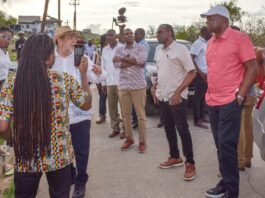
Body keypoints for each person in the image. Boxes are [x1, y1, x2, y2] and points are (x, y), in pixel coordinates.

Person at [0, 33, 92, 198]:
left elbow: (3, 126)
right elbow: (86, 104)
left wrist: (12, 139)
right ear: (49, 57)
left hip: (26, 156)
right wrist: (83, 74)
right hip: (59, 155)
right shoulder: (64, 80)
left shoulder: (12, 82)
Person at [200, 6, 257, 198]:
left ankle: (232, 191)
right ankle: (224, 183)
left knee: (227, 145)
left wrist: (240, 95)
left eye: (210, 18)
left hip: (230, 101)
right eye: (206, 19)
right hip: (213, 100)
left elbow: (252, 67)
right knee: (220, 145)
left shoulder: (240, 39)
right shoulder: (210, 42)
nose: (206, 22)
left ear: (222, 19)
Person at [52, 26, 106, 198]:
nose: (74, 40)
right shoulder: (50, 58)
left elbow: (98, 77)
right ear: (58, 40)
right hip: (57, 116)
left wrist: (98, 71)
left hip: (80, 115)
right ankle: (71, 175)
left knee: (81, 151)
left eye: (75, 37)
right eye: (69, 37)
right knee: (60, 151)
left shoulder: (81, 57)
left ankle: (81, 182)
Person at [151, 24, 196, 181]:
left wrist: (178, 92)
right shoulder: (158, 50)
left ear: (169, 33)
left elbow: (192, 73)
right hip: (163, 97)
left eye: (159, 32)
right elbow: (160, 72)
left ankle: (190, 163)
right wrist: (155, 89)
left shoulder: (181, 49)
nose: (157, 34)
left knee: (182, 130)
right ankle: (175, 157)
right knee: (168, 128)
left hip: (177, 98)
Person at [113, 28, 148, 153]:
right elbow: (116, 65)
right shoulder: (119, 49)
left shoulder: (141, 47)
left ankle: (142, 141)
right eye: (126, 34)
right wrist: (133, 61)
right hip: (123, 86)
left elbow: (142, 62)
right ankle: (129, 139)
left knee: (140, 115)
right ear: (123, 37)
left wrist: (122, 59)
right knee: (126, 115)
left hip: (138, 86)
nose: (129, 35)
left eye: (130, 33)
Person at [101, 29, 126, 139]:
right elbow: (102, 67)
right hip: (109, 82)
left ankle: (126, 129)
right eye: (107, 36)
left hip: (122, 82)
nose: (109, 37)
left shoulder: (122, 47)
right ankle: (115, 128)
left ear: (116, 36)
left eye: (111, 35)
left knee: (124, 107)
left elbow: (126, 64)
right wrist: (103, 83)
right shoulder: (105, 50)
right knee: (112, 107)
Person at [190, 26, 212, 129]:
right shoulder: (197, 43)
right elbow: (191, 58)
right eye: (209, 32)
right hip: (200, 75)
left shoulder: (205, 43)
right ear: (204, 32)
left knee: (204, 96)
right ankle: (197, 119)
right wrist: (200, 72)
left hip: (207, 74)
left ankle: (203, 115)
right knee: (198, 97)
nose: (211, 33)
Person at [94, 34, 108, 124]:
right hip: (102, 78)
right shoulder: (99, 52)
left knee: (115, 99)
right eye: (106, 40)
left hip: (113, 79)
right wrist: (99, 81)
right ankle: (102, 115)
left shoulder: (115, 49)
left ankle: (117, 115)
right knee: (102, 97)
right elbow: (96, 65)